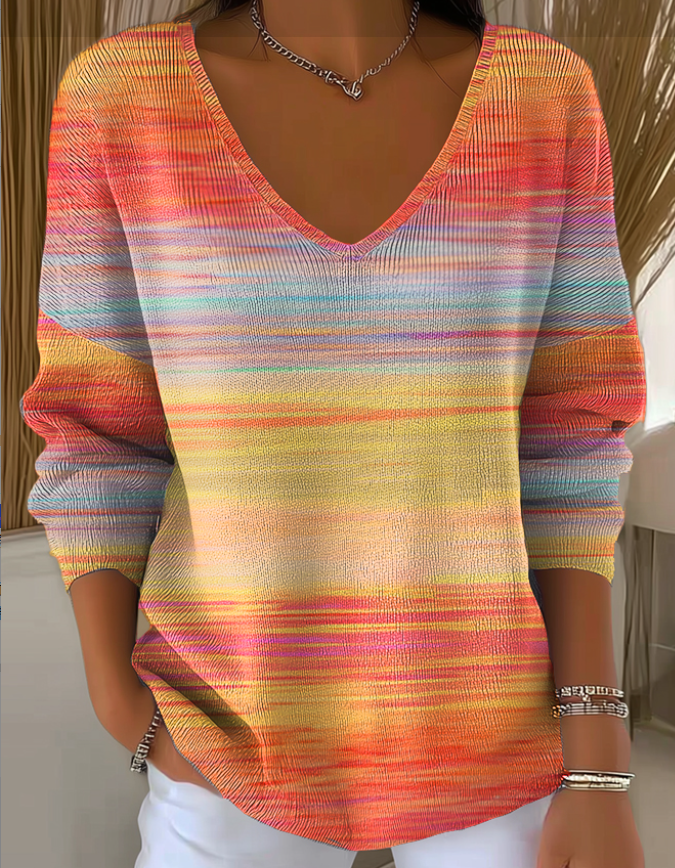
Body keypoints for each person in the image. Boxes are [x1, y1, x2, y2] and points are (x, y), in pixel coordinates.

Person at [20, 0, 648, 865]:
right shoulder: (122, 99)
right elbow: (95, 434)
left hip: (499, 747)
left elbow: (567, 444)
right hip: (224, 744)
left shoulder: (542, 97)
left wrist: (597, 765)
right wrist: (124, 711)